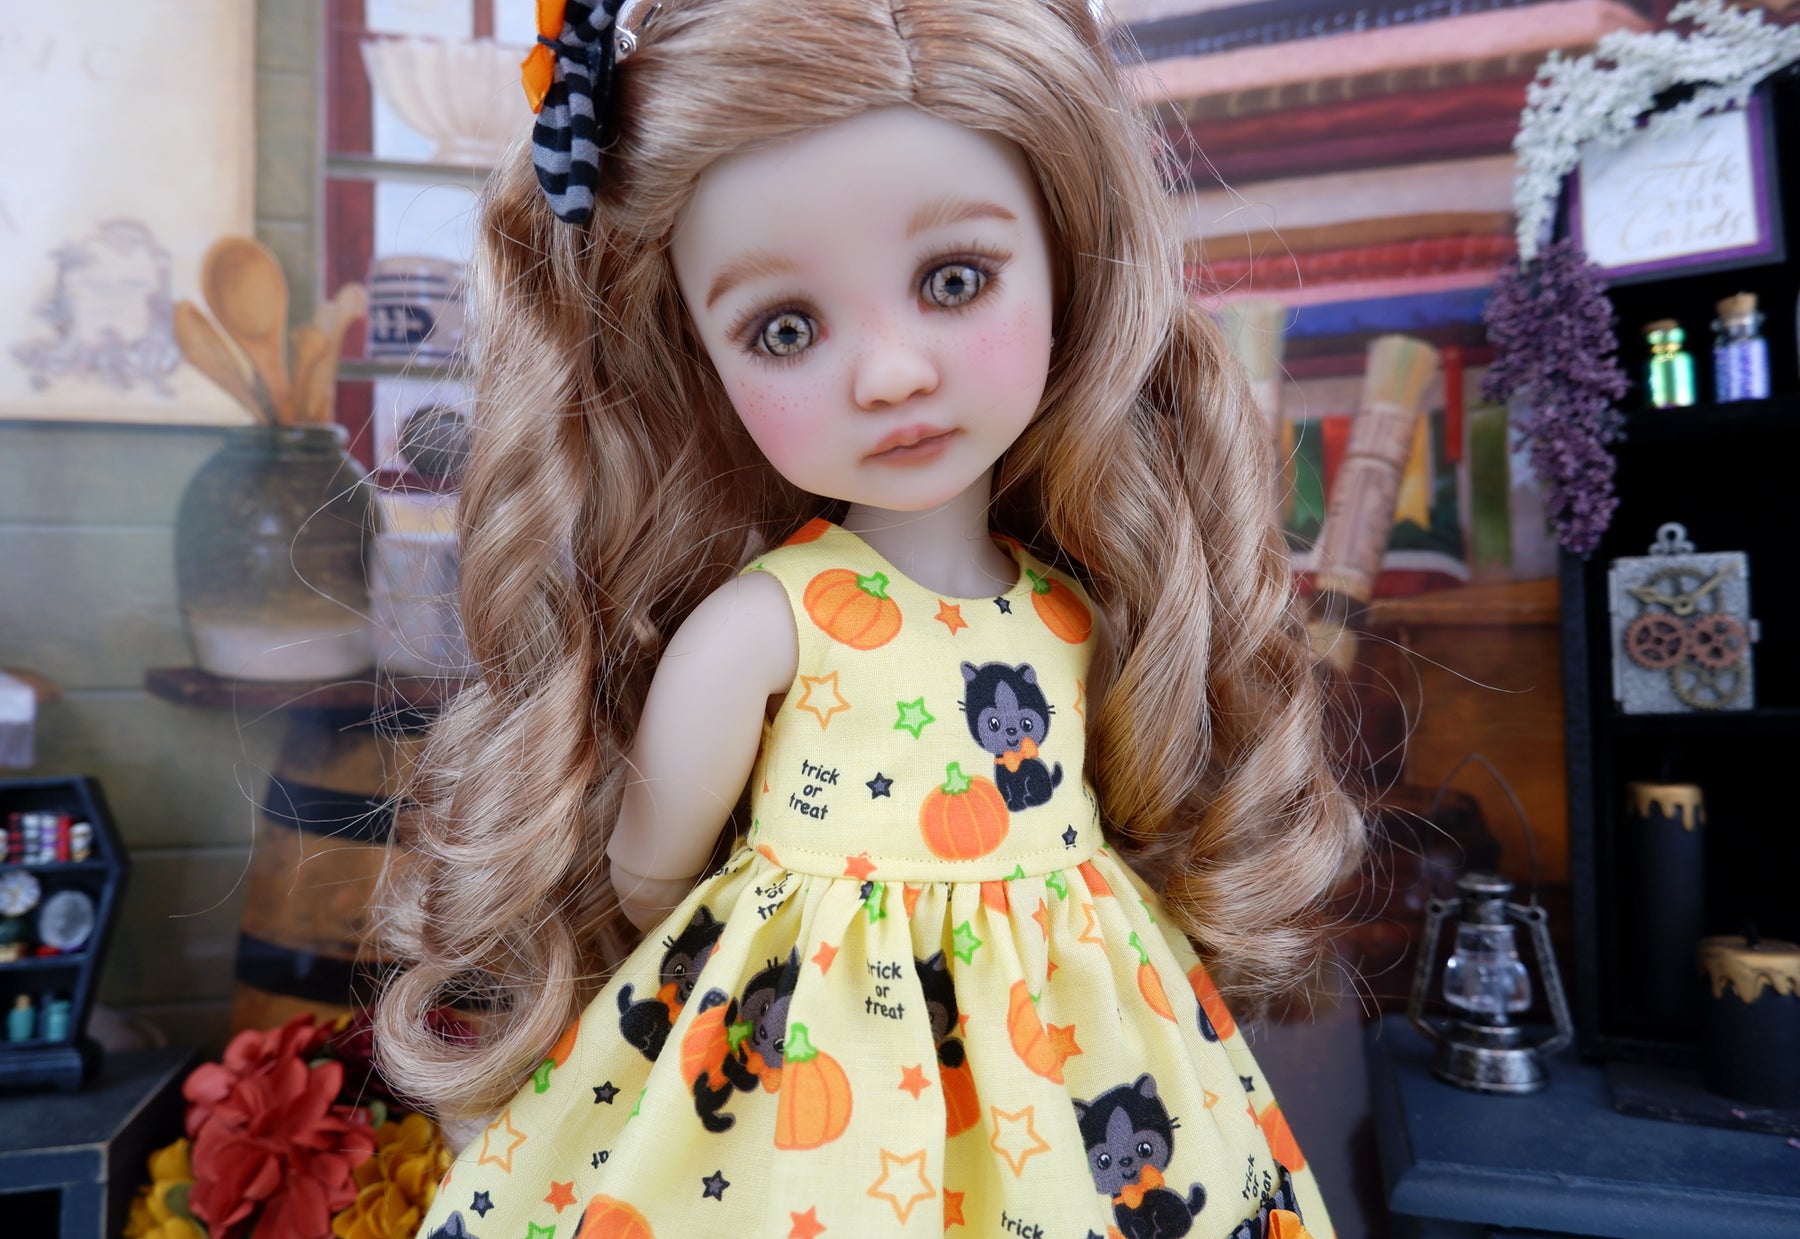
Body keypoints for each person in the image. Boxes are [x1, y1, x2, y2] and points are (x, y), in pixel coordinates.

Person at [379, 1, 1362, 1236]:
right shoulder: (766, 626)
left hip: (1079, 1070)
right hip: (805, 1072)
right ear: (699, 355)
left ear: (1068, 260)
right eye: (784, 330)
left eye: (956, 281)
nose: (891, 373)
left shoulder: (1070, 615)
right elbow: (650, 873)